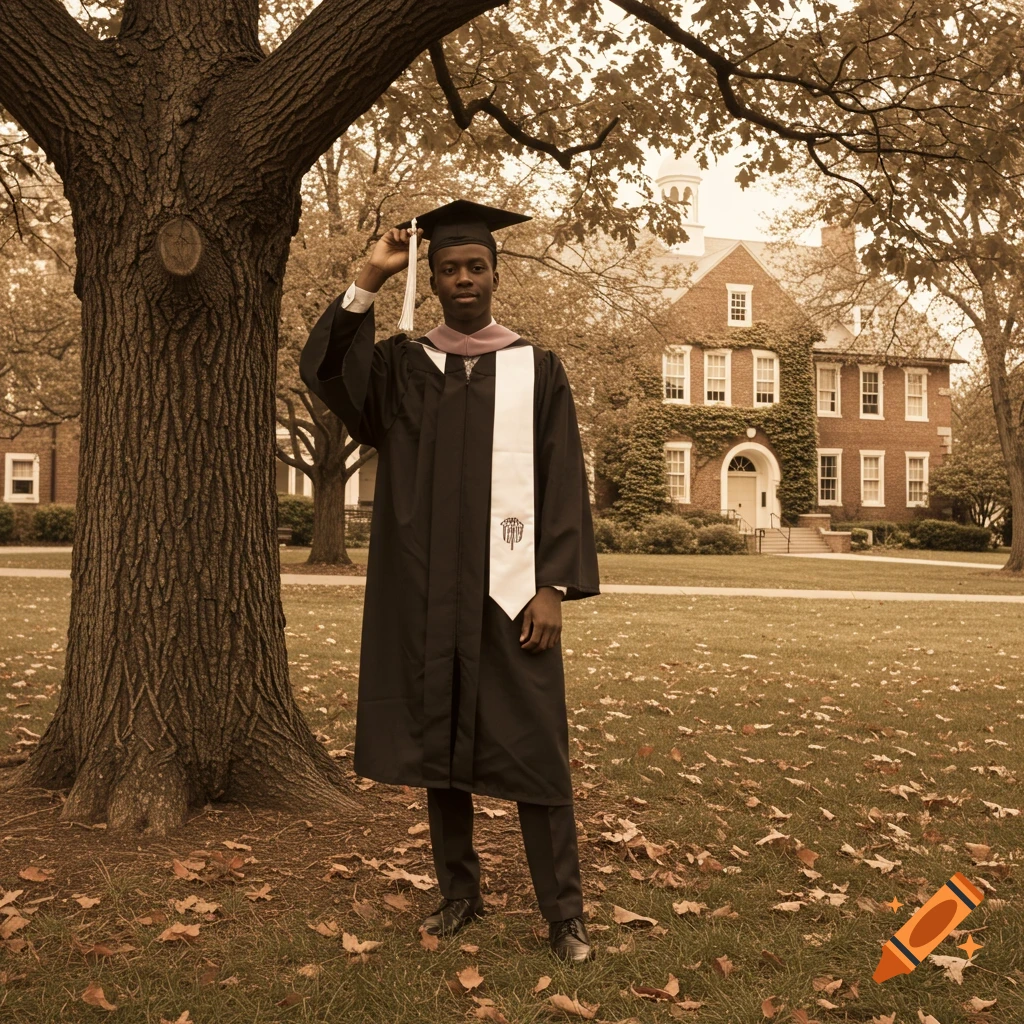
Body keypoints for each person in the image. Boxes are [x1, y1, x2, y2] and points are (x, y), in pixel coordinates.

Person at [299, 200, 600, 962]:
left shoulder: (539, 370)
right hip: (427, 590)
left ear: (496, 275)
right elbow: (328, 372)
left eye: (475, 267)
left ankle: (563, 913)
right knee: (442, 745)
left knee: (538, 750)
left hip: (512, 593)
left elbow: (564, 478)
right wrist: (371, 274)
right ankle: (458, 894)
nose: (463, 280)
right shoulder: (403, 368)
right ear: (431, 280)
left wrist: (554, 585)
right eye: (449, 270)